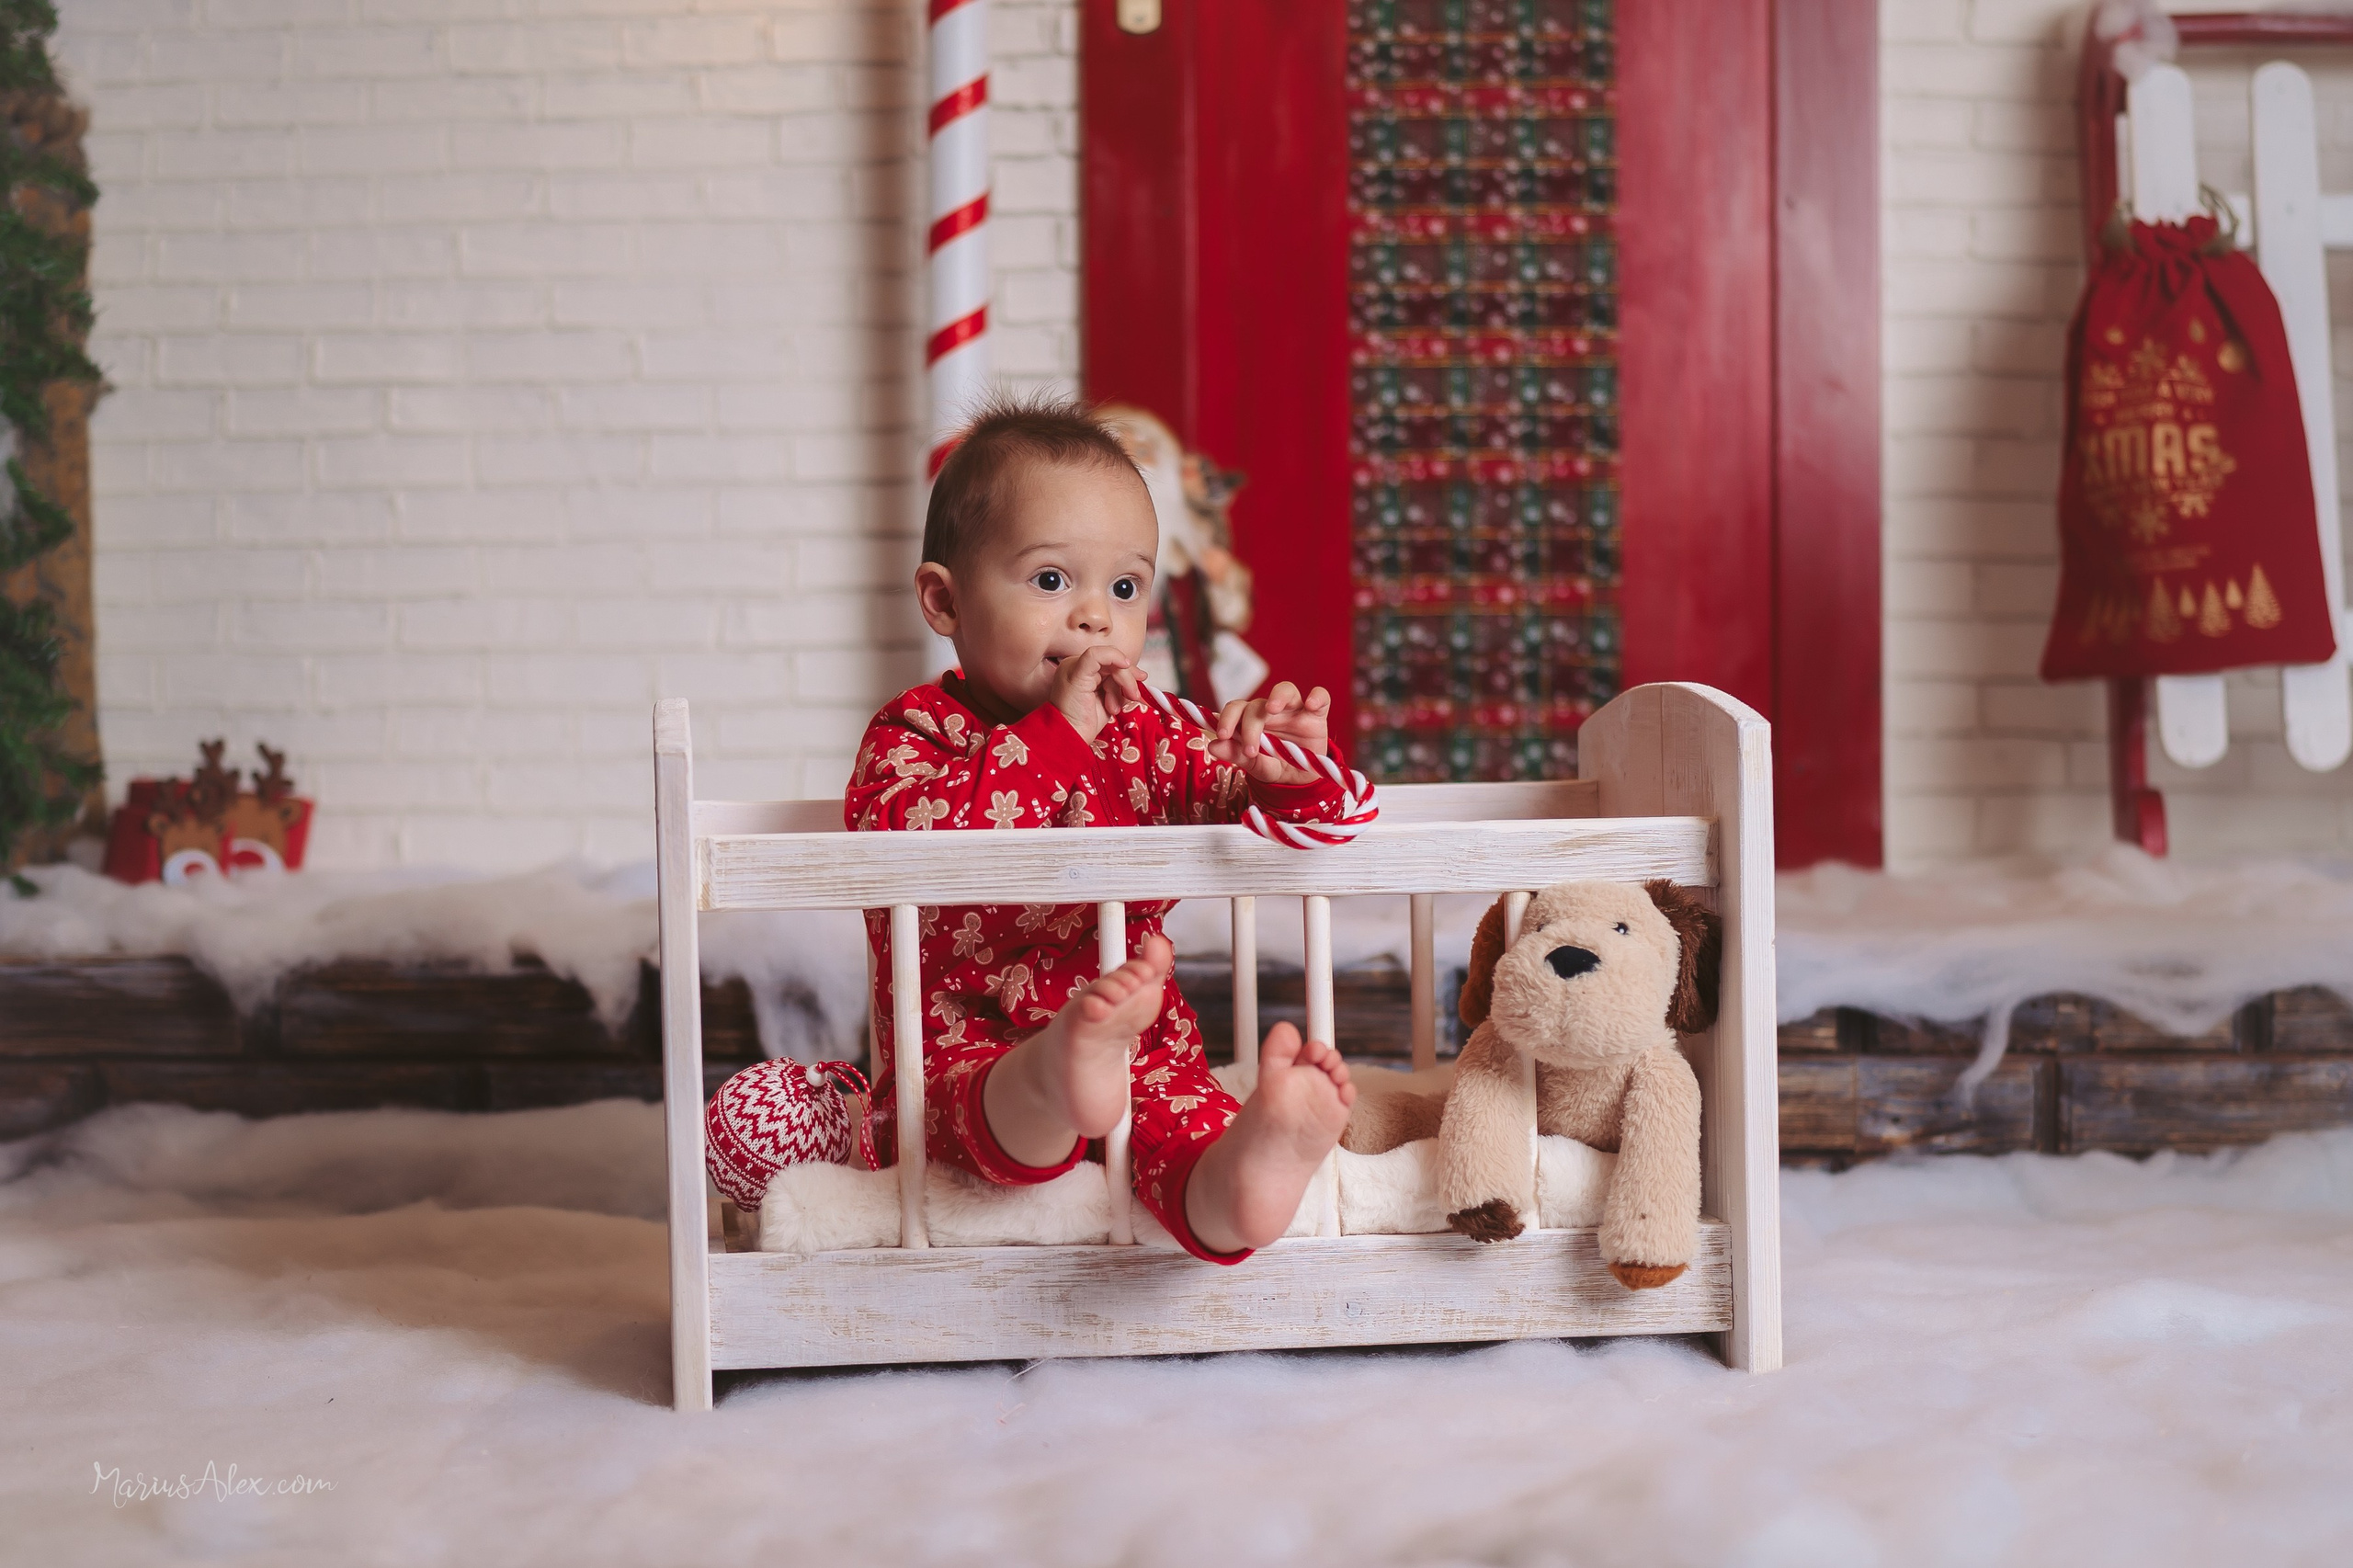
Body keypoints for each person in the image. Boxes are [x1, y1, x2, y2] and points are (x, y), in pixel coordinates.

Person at [844, 394, 1358, 1261]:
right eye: (1051, 581)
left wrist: (1287, 772)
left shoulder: (1148, 732)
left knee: (1186, 1129)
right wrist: (1055, 736)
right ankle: (1055, 1074)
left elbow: (1261, 809)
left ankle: (1250, 1172)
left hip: (1142, 1045)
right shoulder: (917, 733)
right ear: (944, 599)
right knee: (985, 1108)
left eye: (1125, 587)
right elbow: (907, 836)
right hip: (968, 1046)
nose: (1094, 617)